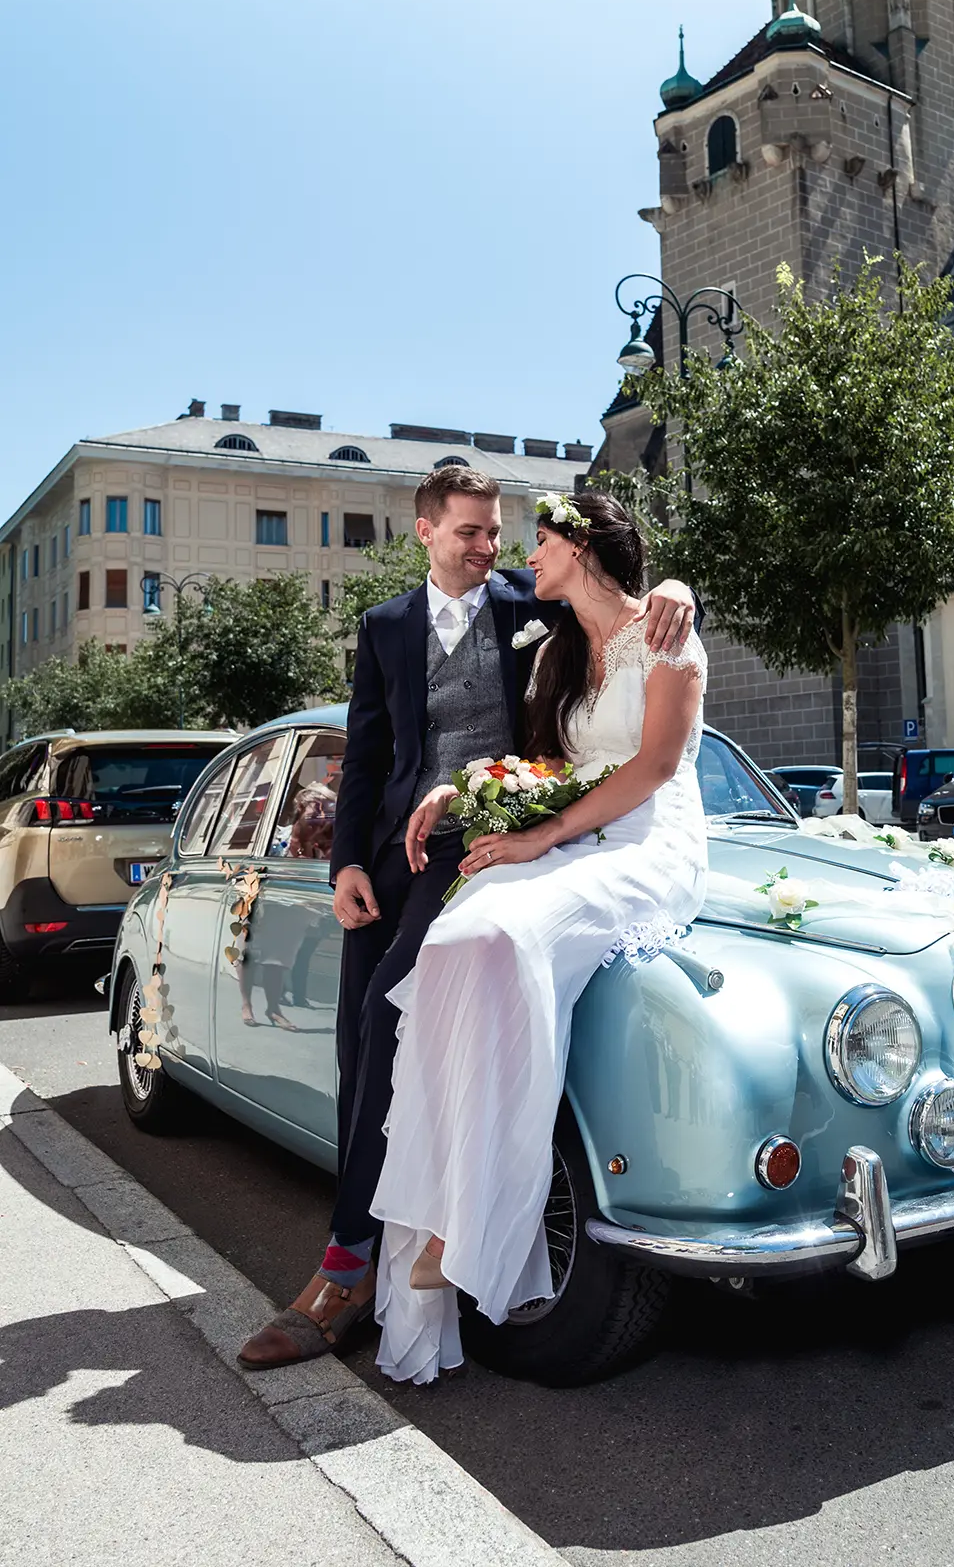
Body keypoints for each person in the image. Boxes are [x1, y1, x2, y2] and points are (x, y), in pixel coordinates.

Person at [237, 467, 695, 1370]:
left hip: (488, 843)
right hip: (393, 856)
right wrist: (347, 865)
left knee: (390, 1019)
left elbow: (634, 607)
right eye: (472, 533)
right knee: (358, 1048)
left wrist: (679, 587)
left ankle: (344, 1272)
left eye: (497, 532)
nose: (491, 546)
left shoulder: (538, 601)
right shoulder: (384, 628)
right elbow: (365, 755)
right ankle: (367, 1245)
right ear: (425, 533)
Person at [370, 489, 709, 1384]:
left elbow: (654, 766)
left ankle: (482, 1224)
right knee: (457, 939)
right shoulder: (555, 646)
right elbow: (549, 765)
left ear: (580, 546)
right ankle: (444, 1199)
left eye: (543, 540)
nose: (528, 557)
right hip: (576, 832)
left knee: (511, 934)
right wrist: (463, 788)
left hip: (647, 841)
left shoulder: (670, 634)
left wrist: (539, 837)